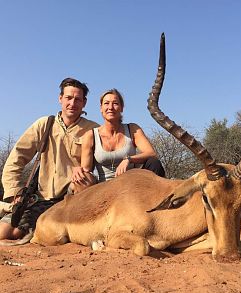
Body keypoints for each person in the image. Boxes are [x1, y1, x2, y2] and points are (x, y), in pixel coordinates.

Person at [0, 77, 99, 240]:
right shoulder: (45, 124)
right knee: (6, 234)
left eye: (77, 99)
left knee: (84, 179)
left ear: (84, 103)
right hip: (40, 196)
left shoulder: (93, 129)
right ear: (60, 98)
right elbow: (17, 157)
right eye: (68, 98)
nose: (72, 103)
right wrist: (14, 192)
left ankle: (79, 227)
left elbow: (107, 160)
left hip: (72, 198)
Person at [72, 88, 165, 185]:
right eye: (106, 103)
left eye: (115, 103)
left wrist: (128, 159)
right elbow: (86, 169)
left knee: (154, 163)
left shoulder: (132, 129)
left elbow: (151, 153)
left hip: (132, 184)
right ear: (101, 108)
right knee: (80, 180)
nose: (110, 107)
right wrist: (78, 170)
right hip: (103, 187)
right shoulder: (91, 135)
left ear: (121, 108)